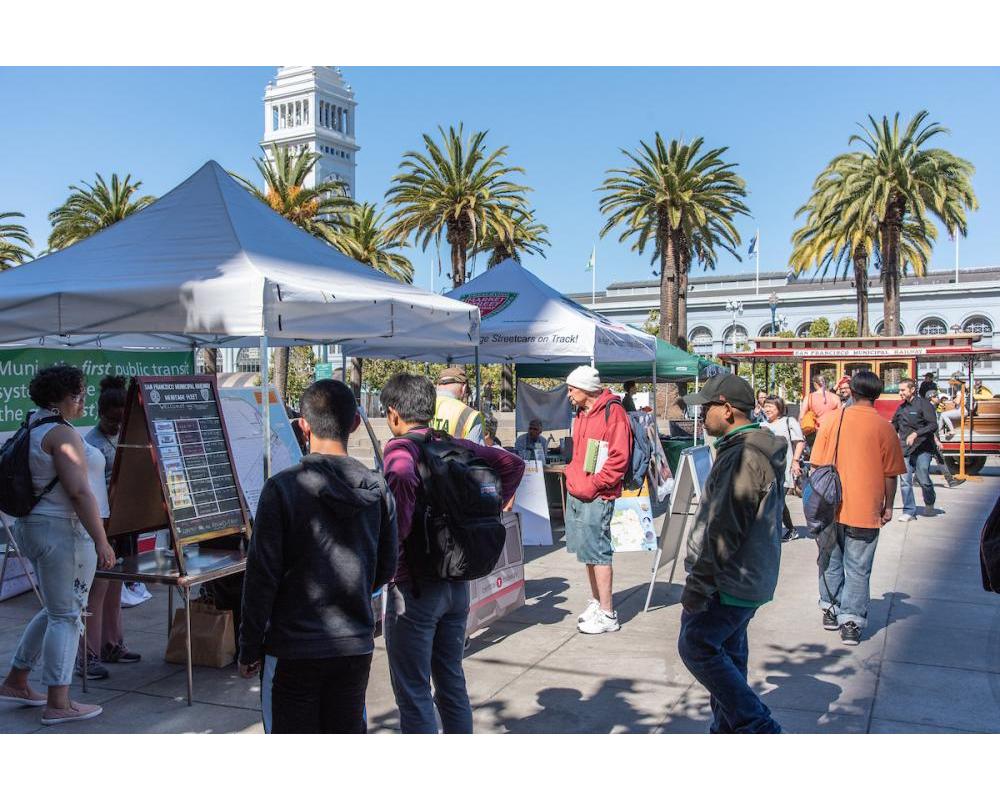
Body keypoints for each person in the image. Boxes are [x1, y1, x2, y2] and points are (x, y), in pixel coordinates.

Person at [238, 379, 398, 734]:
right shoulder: (378, 488)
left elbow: (261, 577)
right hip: (354, 643)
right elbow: (386, 567)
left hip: (292, 647)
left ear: (303, 425)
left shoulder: (282, 488)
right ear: (356, 422)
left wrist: (249, 647)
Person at [380, 373, 523, 733]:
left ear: (394, 414)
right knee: (450, 680)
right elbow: (512, 464)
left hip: (414, 589)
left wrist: (393, 551)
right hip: (457, 583)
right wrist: (485, 509)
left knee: (413, 691)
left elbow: (399, 484)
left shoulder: (401, 450)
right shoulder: (456, 446)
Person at [0, 365, 115, 725]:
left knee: (55, 609)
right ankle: (59, 702)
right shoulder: (62, 435)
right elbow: (80, 492)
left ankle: (18, 680)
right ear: (61, 398)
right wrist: (102, 540)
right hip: (62, 531)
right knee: (67, 616)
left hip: (34, 528)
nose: (83, 401)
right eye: (78, 394)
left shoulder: (32, 425)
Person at [676, 373, 785, 734]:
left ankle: (755, 724)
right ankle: (728, 729)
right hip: (744, 578)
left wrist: (700, 583)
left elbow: (724, 530)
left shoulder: (744, 455)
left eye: (706, 407)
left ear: (726, 408)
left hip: (730, 581)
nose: (701, 415)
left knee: (697, 646)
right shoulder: (746, 448)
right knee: (730, 655)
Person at [811, 371, 906, 646]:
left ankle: (830, 607)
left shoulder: (832, 421)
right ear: (877, 395)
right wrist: (888, 506)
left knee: (829, 558)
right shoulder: (884, 428)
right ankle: (851, 621)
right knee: (858, 567)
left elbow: (817, 464)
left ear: (851, 391)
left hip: (829, 504)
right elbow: (891, 475)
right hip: (866, 507)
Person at [78, 376, 141, 681]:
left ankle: (111, 643)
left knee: (115, 585)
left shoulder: (120, 437)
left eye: (121, 419)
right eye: (111, 419)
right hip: (101, 523)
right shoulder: (90, 444)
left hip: (121, 522)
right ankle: (87, 655)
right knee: (96, 589)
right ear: (99, 413)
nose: (117, 425)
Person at [564, 366, 632, 635]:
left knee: (598, 552)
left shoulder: (613, 412)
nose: (568, 394)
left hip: (597, 494)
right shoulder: (582, 413)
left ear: (586, 389)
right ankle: (597, 602)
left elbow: (619, 459)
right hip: (581, 490)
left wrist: (594, 484)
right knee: (587, 552)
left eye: (572, 389)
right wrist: (574, 475)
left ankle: (607, 613)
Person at [892, 378, 940, 520]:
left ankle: (929, 502)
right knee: (905, 481)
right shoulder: (901, 408)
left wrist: (916, 433)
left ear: (912, 390)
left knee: (923, 476)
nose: (899, 393)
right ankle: (909, 511)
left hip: (923, 448)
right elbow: (893, 427)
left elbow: (933, 425)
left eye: (902, 390)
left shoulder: (924, 405)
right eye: (899, 390)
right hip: (905, 449)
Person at [760, 396, 805, 542]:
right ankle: (791, 530)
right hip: (767, 471)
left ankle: (772, 534)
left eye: (771, 406)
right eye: (765, 406)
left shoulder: (788, 421)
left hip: (784, 469)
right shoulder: (761, 424)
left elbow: (799, 443)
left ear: (779, 407)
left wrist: (795, 461)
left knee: (777, 501)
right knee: (779, 501)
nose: (767, 409)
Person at [431, 366, 484, 445]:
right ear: (464, 388)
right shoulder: (470, 415)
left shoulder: (416, 406)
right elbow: (476, 451)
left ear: (438, 386)